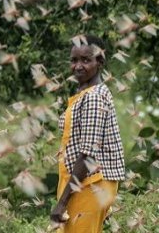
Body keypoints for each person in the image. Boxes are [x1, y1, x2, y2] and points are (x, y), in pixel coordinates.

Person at [50, 34, 125, 232]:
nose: (78, 66)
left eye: (86, 60)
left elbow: (88, 155)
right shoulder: (85, 95)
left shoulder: (93, 98)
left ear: (100, 61)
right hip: (84, 183)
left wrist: (62, 202)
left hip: (92, 183)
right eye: (74, 60)